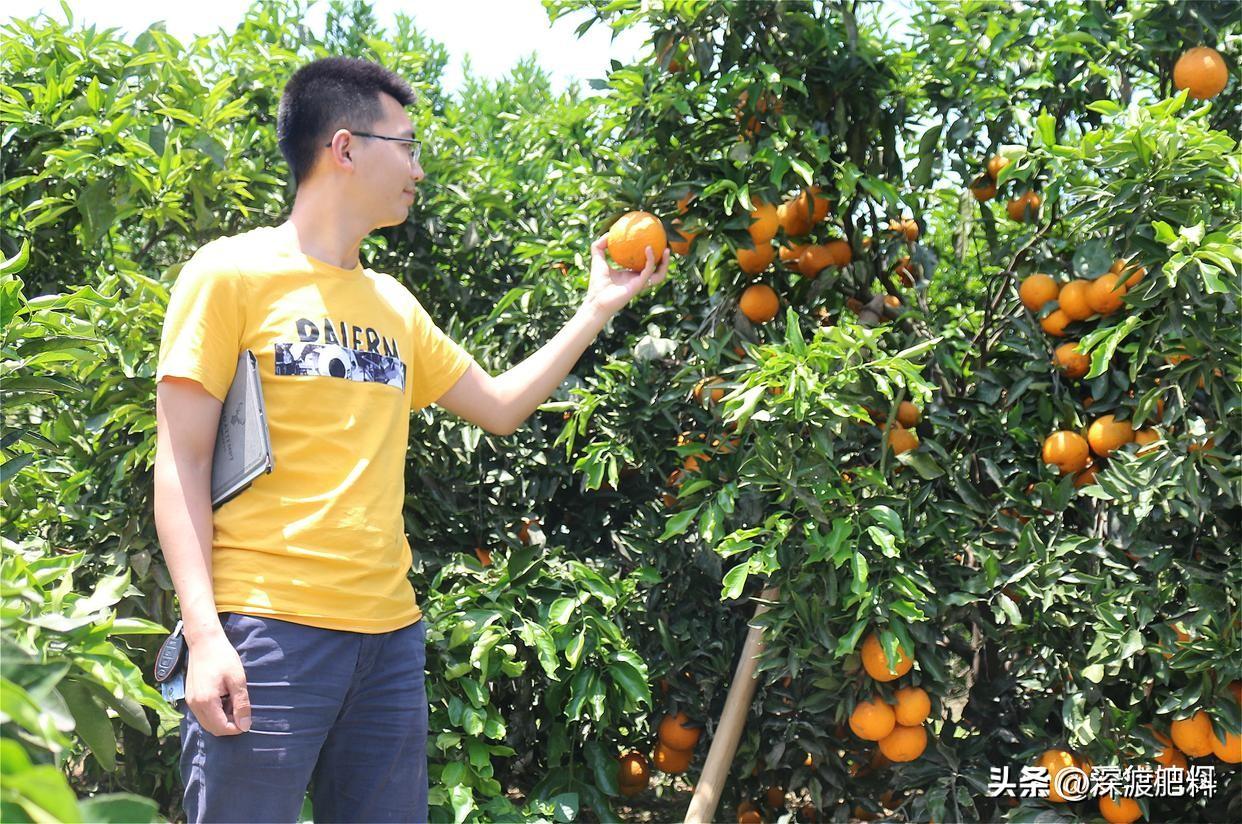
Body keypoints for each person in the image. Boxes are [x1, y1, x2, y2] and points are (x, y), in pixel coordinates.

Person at [152, 56, 669, 823]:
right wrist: (205, 636)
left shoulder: (391, 303)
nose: (419, 169)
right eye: (409, 145)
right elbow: (180, 461)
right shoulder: (231, 274)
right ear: (345, 148)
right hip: (266, 629)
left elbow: (498, 405)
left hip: (387, 639)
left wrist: (596, 310)